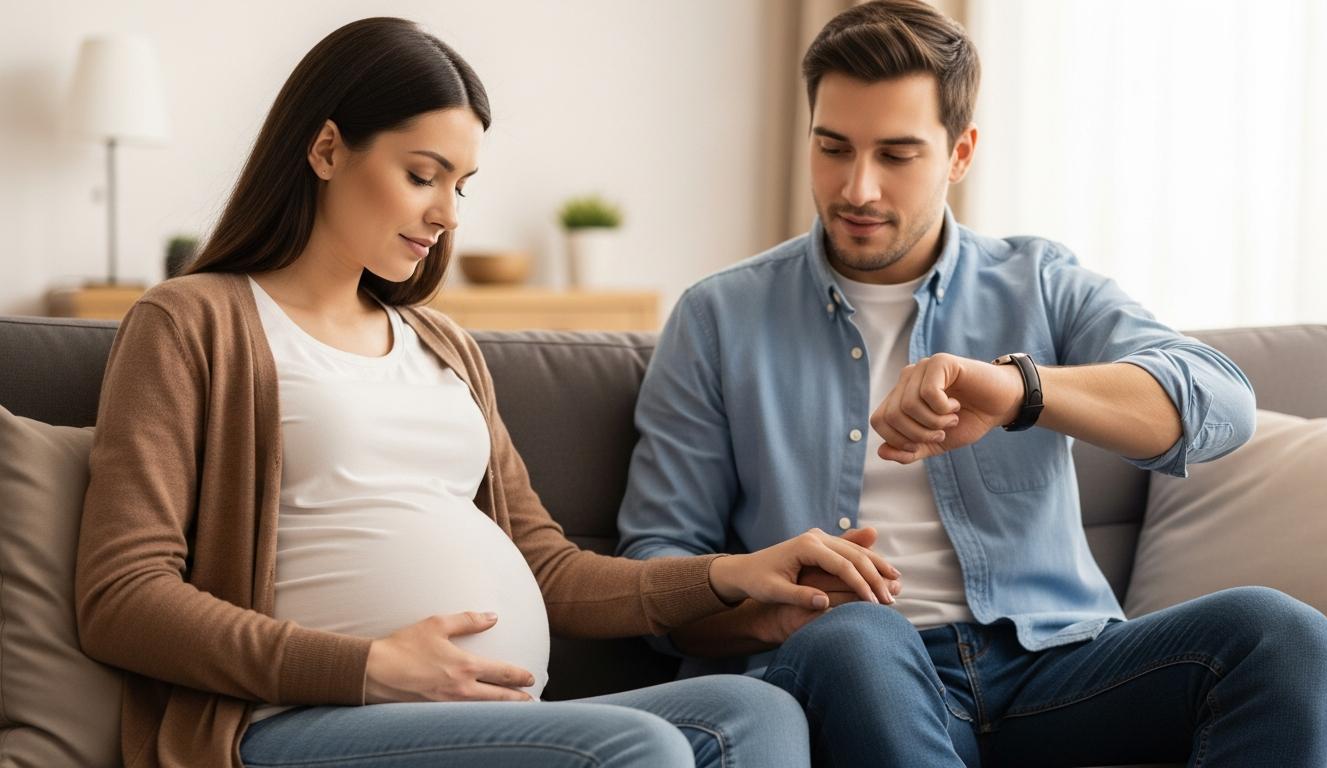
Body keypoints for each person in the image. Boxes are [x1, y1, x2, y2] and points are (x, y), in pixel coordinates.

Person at [73, 17, 902, 768]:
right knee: (639, 749)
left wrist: (735, 575)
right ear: (326, 150)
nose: (447, 216)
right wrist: (367, 668)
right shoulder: (193, 322)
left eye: (460, 185)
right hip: (292, 721)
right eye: (422, 175)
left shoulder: (444, 346)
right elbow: (123, 597)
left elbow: (553, 569)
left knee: (754, 713)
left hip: (485, 720)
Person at [617, 2, 1327, 766]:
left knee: (1286, 634)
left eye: (897, 155)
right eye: (833, 148)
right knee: (861, 634)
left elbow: (1221, 402)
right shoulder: (718, 316)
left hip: (1057, 664)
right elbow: (651, 579)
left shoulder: (1039, 281)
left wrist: (1018, 393)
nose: (857, 187)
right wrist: (773, 605)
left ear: (960, 153)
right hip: (853, 667)